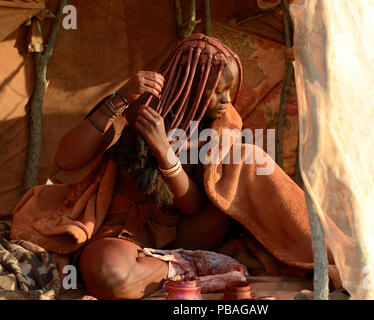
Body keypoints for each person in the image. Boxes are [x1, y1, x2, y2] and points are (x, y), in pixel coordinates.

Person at [11, 33, 341, 300]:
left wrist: (165, 152)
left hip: (189, 228)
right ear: (190, 85)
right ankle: (196, 269)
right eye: (218, 91)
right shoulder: (138, 112)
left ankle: (324, 254)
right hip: (126, 234)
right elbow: (66, 161)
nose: (228, 100)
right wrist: (118, 100)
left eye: (230, 90)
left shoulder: (221, 125)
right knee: (110, 278)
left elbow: (193, 203)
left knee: (248, 158)